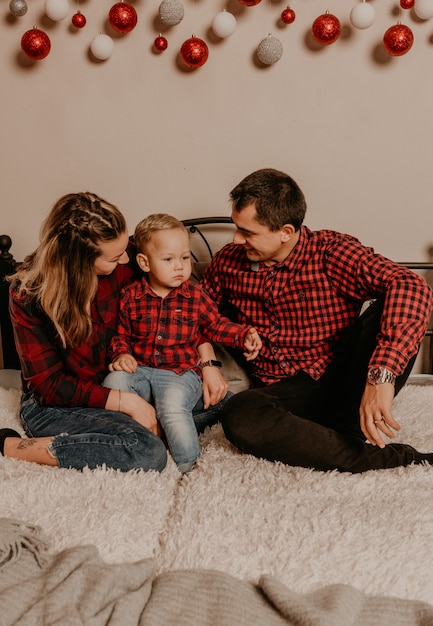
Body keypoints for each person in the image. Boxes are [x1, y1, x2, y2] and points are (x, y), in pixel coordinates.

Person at [201, 168, 433, 473]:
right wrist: (209, 365)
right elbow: (194, 313)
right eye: (236, 227)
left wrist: (381, 376)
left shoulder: (331, 251)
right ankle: (388, 457)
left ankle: (337, 437)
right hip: (285, 396)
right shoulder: (228, 261)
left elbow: (410, 285)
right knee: (240, 414)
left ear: (285, 231)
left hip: (341, 380)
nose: (235, 239)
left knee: (394, 305)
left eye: (248, 232)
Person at [0, 193, 228, 471]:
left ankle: (122, 432)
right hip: (63, 403)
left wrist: (208, 363)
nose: (125, 260)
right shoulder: (29, 294)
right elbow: (49, 385)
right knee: (147, 451)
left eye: (125, 250)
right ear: (79, 261)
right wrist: (125, 402)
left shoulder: (131, 258)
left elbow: (180, 310)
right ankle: (11, 446)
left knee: (228, 405)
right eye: (115, 257)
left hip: (129, 383)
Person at [102, 213, 262, 472]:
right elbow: (121, 335)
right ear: (144, 262)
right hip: (141, 369)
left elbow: (216, 325)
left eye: (185, 258)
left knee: (172, 406)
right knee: (113, 383)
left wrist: (244, 335)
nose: (179, 266)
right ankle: (132, 442)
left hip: (180, 373)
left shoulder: (195, 296)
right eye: (168, 259)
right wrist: (122, 354)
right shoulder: (131, 295)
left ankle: (189, 464)